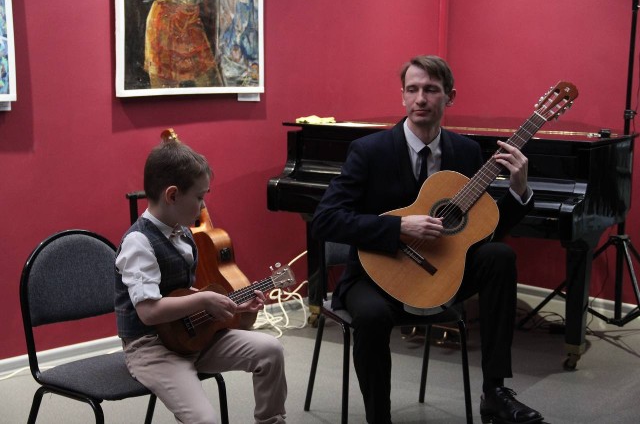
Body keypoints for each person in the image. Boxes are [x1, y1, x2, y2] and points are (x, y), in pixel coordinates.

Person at [311, 55, 544, 424]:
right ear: (402, 96)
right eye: (413, 89)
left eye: (431, 90)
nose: (421, 98)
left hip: (439, 275)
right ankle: (378, 418)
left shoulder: (466, 152)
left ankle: (495, 392)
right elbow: (325, 219)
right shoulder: (370, 151)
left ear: (449, 96)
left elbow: (483, 231)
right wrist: (398, 228)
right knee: (371, 317)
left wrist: (518, 190)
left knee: (499, 256)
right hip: (376, 276)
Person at [115, 138, 287, 424]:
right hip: (152, 348)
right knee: (204, 420)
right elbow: (148, 312)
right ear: (172, 195)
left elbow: (184, 295)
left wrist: (232, 307)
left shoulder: (183, 233)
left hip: (194, 337)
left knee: (270, 351)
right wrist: (205, 299)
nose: (203, 204)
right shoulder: (138, 242)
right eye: (199, 197)